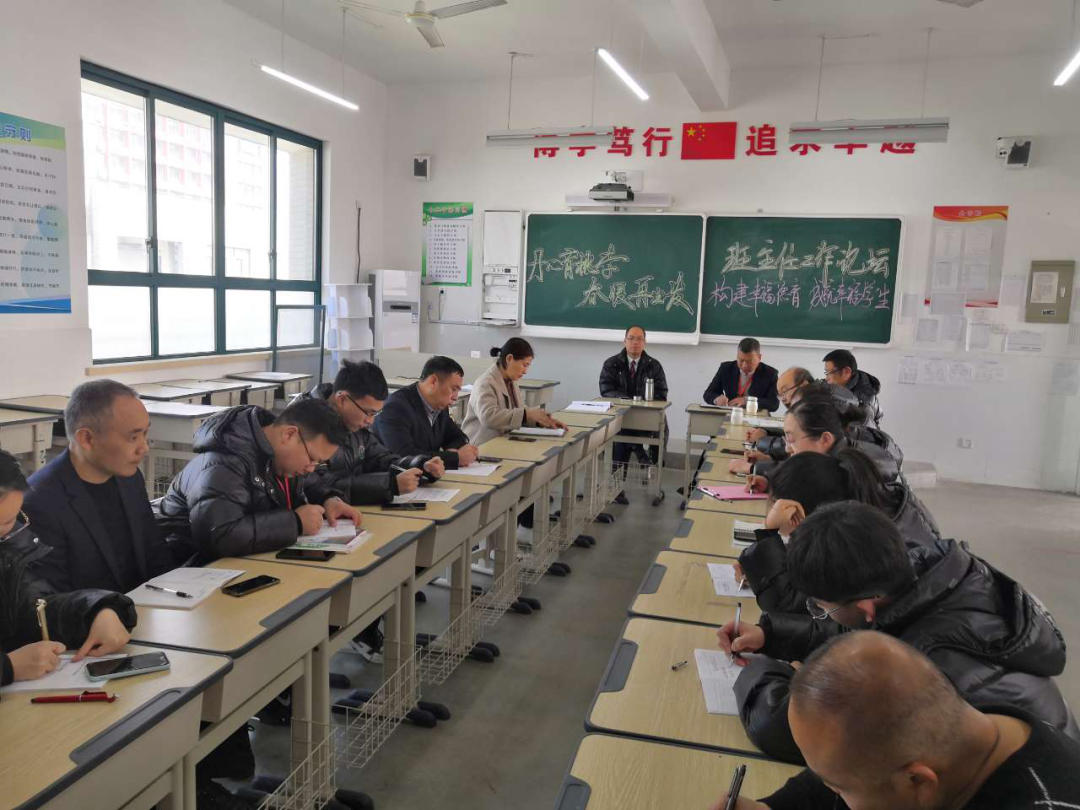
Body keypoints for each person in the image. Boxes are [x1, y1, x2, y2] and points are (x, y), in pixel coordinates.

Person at [717, 502, 1078, 764]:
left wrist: (762, 669)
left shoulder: (925, 665)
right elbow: (861, 629)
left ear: (866, 605)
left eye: (821, 607)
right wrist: (770, 635)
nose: (821, 614)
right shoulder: (928, 576)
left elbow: (795, 733)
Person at [714, 632, 1080, 810]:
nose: (833, 794)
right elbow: (839, 775)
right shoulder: (959, 721)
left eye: (840, 790)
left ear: (917, 781)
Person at [157, 398, 362, 562]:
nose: (311, 468)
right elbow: (220, 536)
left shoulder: (278, 455)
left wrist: (329, 499)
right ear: (289, 434)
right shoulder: (223, 463)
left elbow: (311, 483)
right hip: (189, 571)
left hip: (243, 564)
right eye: (312, 459)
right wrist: (296, 522)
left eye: (318, 463)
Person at [738, 448, 939, 615]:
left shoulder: (863, 542)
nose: (788, 447)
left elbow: (789, 602)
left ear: (799, 516)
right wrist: (764, 565)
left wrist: (769, 534)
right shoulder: (855, 511)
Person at [2, 450, 136, 690]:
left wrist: (96, 610)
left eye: (9, 522)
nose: (5, 534)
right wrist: (8, 667)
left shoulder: (9, 544)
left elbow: (31, 609)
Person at [25, 380, 176, 594]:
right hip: (95, 614)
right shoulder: (39, 502)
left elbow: (155, 551)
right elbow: (54, 599)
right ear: (87, 438)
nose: (144, 448)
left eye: (145, 434)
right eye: (133, 437)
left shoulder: (129, 478)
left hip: (145, 604)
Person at [294, 359, 445, 505]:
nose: (370, 421)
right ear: (342, 400)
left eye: (375, 414)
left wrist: (420, 465)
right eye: (368, 412)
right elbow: (317, 486)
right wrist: (388, 486)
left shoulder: (354, 424)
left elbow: (381, 459)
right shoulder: (306, 424)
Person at [733, 389, 900, 485]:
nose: (787, 448)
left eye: (790, 440)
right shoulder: (836, 448)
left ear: (825, 439)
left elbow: (805, 479)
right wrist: (768, 479)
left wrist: (754, 469)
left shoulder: (845, 471)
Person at [599, 325, 669, 503]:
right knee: (620, 432)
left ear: (645, 343)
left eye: (639, 339)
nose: (635, 342)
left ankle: (654, 481)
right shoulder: (611, 363)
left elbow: (662, 393)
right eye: (631, 338)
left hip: (645, 417)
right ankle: (619, 484)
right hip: (621, 416)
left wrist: (641, 403)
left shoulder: (654, 366)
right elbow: (606, 390)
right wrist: (628, 401)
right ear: (624, 341)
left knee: (661, 426)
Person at [374, 355, 479, 469]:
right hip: (395, 477)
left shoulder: (439, 405)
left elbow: (457, 437)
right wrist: (454, 458)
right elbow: (403, 455)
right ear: (433, 381)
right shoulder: (395, 408)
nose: (455, 397)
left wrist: (456, 450)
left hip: (427, 475)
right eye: (453, 389)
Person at [462, 338, 566, 446]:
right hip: (481, 447)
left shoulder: (512, 382)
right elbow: (488, 417)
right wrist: (527, 414)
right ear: (509, 359)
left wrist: (540, 420)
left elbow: (517, 414)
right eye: (524, 365)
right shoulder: (485, 383)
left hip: (502, 442)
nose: (525, 371)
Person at [703, 337, 780, 413]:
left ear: (759, 357)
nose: (744, 365)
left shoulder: (770, 374)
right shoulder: (726, 368)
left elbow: (774, 404)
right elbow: (708, 393)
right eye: (741, 360)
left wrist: (746, 401)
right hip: (731, 413)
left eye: (749, 361)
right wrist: (716, 399)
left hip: (756, 416)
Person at [823, 348, 883, 425]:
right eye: (826, 373)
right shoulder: (841, 384)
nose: (826, 378)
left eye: (829, 373)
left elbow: (861, 431)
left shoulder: (863, 405)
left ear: (846, 372)